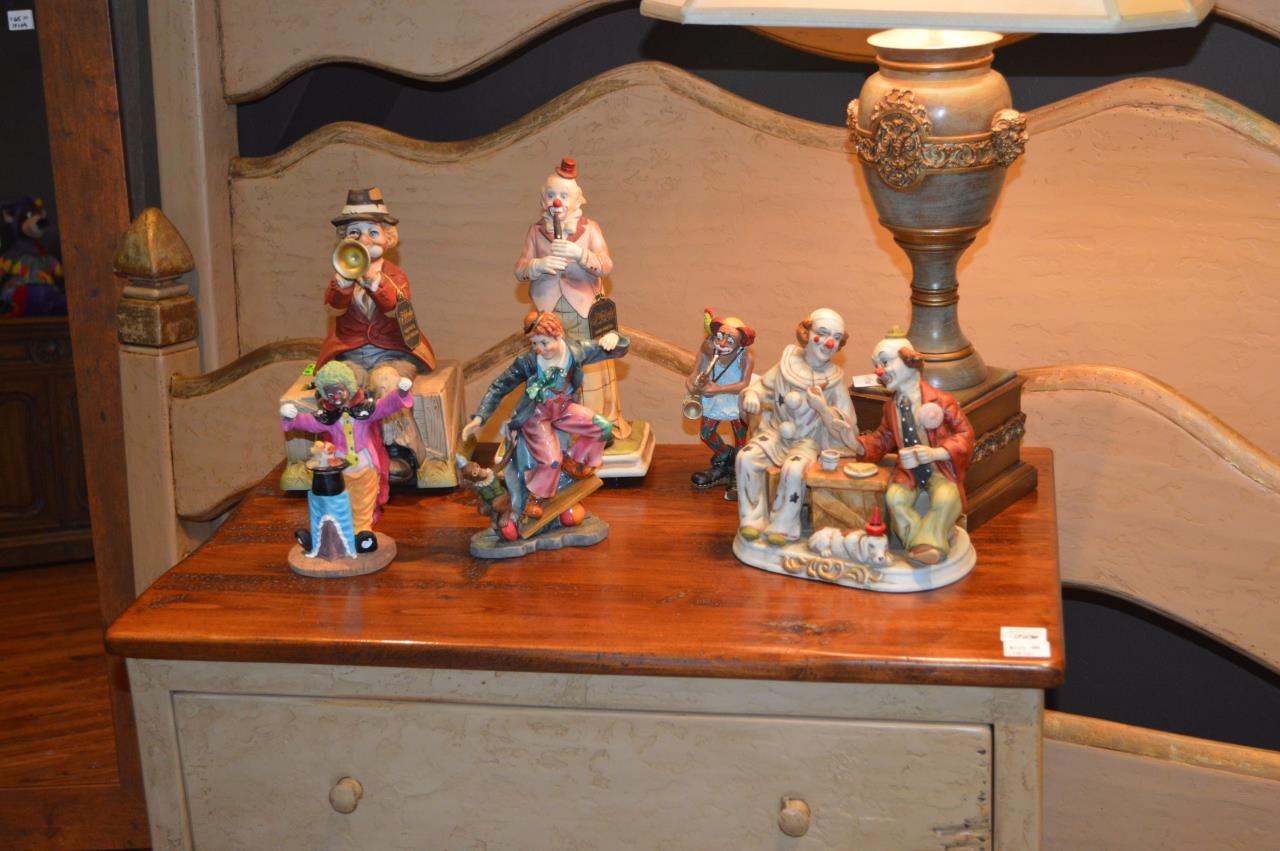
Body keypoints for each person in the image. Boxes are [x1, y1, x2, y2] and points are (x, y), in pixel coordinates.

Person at [315, 187, 436, 482]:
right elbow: (334, 307)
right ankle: (344, 450)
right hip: (351, 353)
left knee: (386, 382)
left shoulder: (394, 275)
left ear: (388, 238)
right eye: (354, 233)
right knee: (339, 382)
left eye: (373, 232)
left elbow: (395, 306)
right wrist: (343, 283)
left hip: (391, 354)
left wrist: (373, 280)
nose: (364, 240)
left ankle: (399, 450)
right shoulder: (341, 276)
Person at [462, 311, 629, 522]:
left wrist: (614, 337)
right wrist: (480, 417)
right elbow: (499, 386)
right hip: (537, 415)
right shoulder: (528, 362)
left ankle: (576, 461)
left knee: (602, 427)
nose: (539, 349)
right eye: (534, 344)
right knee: (551, 461)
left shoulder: (576, 352)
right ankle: (536, 496)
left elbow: (617, 349)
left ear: (558, 335)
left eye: (544, 342)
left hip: (564, 408)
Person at [514, 158, 630, 440]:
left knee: (587, 365)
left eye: (564, 196)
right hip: (548, 311)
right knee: (553, 365)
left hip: (583, 310)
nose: (557, 201)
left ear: (578, 200)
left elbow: (605, 265)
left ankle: (595, 423)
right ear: (543, 199)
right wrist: (538, 266)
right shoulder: (536, 232)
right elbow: (520, 269)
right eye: (551, 195)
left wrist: (580, 254)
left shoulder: (590, 229)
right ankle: (556, 423)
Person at [842, 328, 975, 565]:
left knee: (946, 498)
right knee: (894, 499)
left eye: (885, 362)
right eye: (876, 365)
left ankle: (929, 542)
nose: (879, 371)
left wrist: (936, 453)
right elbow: (882, 439)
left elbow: (965, 434)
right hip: (908, 473)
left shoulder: (941, 401)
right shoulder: (890, 407)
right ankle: (921, 544)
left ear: (910, 361)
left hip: (938, 470)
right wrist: (855, 443)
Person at [735, 308, 858, 545]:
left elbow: (848, 423)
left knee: (793, 470)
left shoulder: (833, 379)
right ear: (806, 332)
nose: (829, 342)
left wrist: (823, 408)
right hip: (775, 433)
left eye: (836, 338)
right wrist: (751, 394)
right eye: (823, 333)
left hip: (807, 441)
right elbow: (761, 387)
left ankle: (784, 524)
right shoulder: (787, 363)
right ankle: (752, 519)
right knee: (745, 457)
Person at [280, 360, 414, 539]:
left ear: (348, 387)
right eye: (330, 393)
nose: (335, 396)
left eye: (338, 391)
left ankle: (363, 534)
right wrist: (292, 418)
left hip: (365, 467)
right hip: (340, 471)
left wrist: (400, 393)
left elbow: (384, 405)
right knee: (340, 503)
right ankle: (339, 534)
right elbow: (309, 422)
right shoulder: (328, 418)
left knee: (364, 503)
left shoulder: (365, 410)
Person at [686, 312, 755, 490]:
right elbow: (695, 372)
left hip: (735, 400)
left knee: (740, 439)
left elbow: (744, 384)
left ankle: (739, 473)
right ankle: (725, 456)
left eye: (730, 340)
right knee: (706, 434)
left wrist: (719, 389)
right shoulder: (708, 348)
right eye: (720, 336)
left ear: (740, 342)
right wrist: (692, 382)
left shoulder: (745, 357)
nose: (722, 343)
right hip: (713, 398)